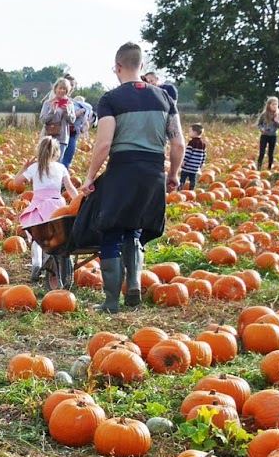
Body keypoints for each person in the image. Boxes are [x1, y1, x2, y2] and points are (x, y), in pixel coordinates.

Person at [76, 42, 183, 313]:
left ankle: (111, 302)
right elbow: (179, 143)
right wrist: (173, 175)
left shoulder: (111, 99)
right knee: (134, 228)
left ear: (118, 67)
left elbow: (103, 144)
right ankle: (133, 282)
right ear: (142, 67)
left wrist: (89, 177)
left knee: (111, 231)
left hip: (123, 169)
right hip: (153, 172)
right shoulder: (165, 99)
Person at [18, 133, 80, 280]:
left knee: (37, 237)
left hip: (39, 206)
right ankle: (49, 260)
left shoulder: (34, 168)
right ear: (57, 153)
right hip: (57, 207)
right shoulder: (61, 167)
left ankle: (37, 263)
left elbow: (15, 183)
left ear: (39, 151)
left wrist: (23, 168)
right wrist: (79, 202)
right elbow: (70, 188)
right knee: (56, 237)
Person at [39, 78, 77, 157]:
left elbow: (72, 121)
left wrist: (67, 112)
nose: (62, 91)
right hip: (48, 137)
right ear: (55, 89)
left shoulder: (69, 104)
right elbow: (42, 120)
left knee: (58, 162)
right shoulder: (48, 103)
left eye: (64, 89)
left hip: (62, 137)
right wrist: (52, 112)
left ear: (67, 91)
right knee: (45, 161)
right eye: (60, 88)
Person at [65, 92, 93, 168]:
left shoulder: (84, 110)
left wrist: (84, 129)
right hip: (64, 133)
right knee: (63, 156)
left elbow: (85, 123)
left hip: (73, 133)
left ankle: (64, 172)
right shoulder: (73, 108)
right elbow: (72, 117)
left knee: (68, 156)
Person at [256, 97, 279, 169]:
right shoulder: (264, 114)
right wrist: (262, 129)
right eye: (273, 104)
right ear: (269, 105)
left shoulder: (278, 114)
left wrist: (277, 121)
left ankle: (269, 168)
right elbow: (259, 124)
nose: (275, 106)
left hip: (273, 136)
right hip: (264, 135)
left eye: (276, 104)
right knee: (262, 152)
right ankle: (259, 167)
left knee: (270, 153)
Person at [181, 123, 207, 189]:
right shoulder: (203, 144)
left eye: (190, 132)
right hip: (195, 167)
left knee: (183, 178)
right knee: (192, 179)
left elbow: (188, 153)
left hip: (188, 165)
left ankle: (180, 189)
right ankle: (191, 190)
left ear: (195, 133)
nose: (188, 133)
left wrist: (183, 162)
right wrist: (201, 164)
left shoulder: (191, 142)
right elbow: (204, 155)